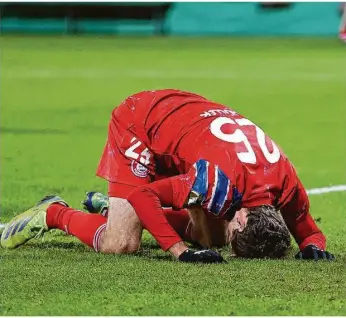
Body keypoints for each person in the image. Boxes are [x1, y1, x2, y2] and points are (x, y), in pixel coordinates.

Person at [1, 89, 334, 262]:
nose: (232, 236)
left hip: (189, 120)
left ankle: (111, 209)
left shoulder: (284, 184)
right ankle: (52, 212)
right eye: (237, 233)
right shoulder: (214, 181)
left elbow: (308, 230)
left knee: (214, 238)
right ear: (245, 217)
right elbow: (142, 195)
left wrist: (312, 246)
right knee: (121, 244)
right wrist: (180, 252)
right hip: (141, 123)